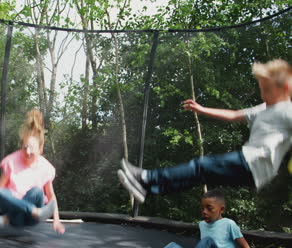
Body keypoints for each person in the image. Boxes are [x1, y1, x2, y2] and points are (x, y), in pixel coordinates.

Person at [118, 59, 292, 203]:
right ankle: (147, 189)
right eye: (261, 88)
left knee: (201, 165)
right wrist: (202, 109)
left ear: (285, 89)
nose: (263, 94)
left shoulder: (287, 110)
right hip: (252, 170)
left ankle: (147, 177)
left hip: (254, 163)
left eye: (267, 90)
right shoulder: (264, 107)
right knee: (200, 175)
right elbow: (234, 115)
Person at [0, 109, 65, 234]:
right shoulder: (11, 162)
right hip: (17, 214)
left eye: (31, 149)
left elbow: (51, 196)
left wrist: (57, 220)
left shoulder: (45, 167)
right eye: (25, 147)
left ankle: (6, 220)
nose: (27, 152)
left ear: (40, 149)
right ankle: (26, 212)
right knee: (2, 193)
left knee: (37, 192)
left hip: (32, 219)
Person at [131, 189, 252, 248]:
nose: (204, 212)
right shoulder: (202, 225)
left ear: (221, 209)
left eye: (209, 208)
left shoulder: (229, 224)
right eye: (202, 208)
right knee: (174, 247)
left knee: (208, 241)